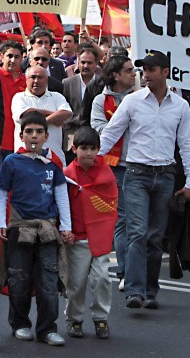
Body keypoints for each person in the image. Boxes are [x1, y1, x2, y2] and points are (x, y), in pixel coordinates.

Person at [97, 50, 190, 309]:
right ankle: (134, 290)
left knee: (155, 237)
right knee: (137, 233)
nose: (146, 75)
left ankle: (151, 289)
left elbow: (187, 145)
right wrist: (88, 161)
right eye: (143, 70)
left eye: (152, 70)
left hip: (165, 176)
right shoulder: (132, 102)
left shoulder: (181, 106)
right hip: (136, 174)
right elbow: (110, 134)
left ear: (165, 72)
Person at [0, 111, 72, 346]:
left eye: (39, 132)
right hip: (20, 229)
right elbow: (0, 195)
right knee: (19, 280)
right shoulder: (12, 162)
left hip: (47, 230)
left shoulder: (53, 164)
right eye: (29, 132)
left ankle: (48, 329)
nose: (34, 136)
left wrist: (66, 226)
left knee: (48, 281)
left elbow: (62, 195)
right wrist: (0, 223)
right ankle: (20, 323)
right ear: (21, 135)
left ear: (47, 136)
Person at [63, 127, 117, 340]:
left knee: (103, 278)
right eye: (83, 148)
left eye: (93, 148)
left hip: (101, 236)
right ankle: (74, 319)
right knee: (76, 283)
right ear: (74, 149)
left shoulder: (107, 174)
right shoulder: (67, 175)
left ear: (99, 150)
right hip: (78, 237)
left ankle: (100, 317)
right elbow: (62, 204)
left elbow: (111, 204)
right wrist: (64, 230)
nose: (88, 153)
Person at [90, 54, 134, 290]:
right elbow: (98, 129)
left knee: (141, 221)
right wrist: (124, 119)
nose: (134, 74)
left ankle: (139, 270)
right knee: (123, 220)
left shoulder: (141, 97)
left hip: (140, 164)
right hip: (115, 166)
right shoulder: (100, 100)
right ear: (116, 75)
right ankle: (127, 272)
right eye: (128, 70)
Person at [12, 66, 72, 166]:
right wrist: (54, 115)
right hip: (25, 160)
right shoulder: (19, 97)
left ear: (47, 79)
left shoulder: (57, 96)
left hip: (54, 160)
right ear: (26, 79)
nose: (36, 81)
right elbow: (26, 114)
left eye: (40, 77)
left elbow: (67, 113)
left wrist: (42, 121)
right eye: (33, 77)